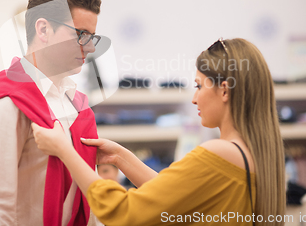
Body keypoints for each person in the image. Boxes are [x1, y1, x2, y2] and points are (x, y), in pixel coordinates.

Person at [32, 38, 286, 226]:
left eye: (199, 86)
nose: (194, 99)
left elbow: (125, 212)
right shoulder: (253, 154)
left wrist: (65, 151)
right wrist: (121, 157)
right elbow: (173, 198)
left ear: (224, 90)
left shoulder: (219, 153)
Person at [0, 0, 102, 226]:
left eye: (92, 37)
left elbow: (89, 201)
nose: (90, 48)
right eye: (81, 35)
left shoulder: (77, 105)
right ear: (43, 29)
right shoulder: (8, 104)